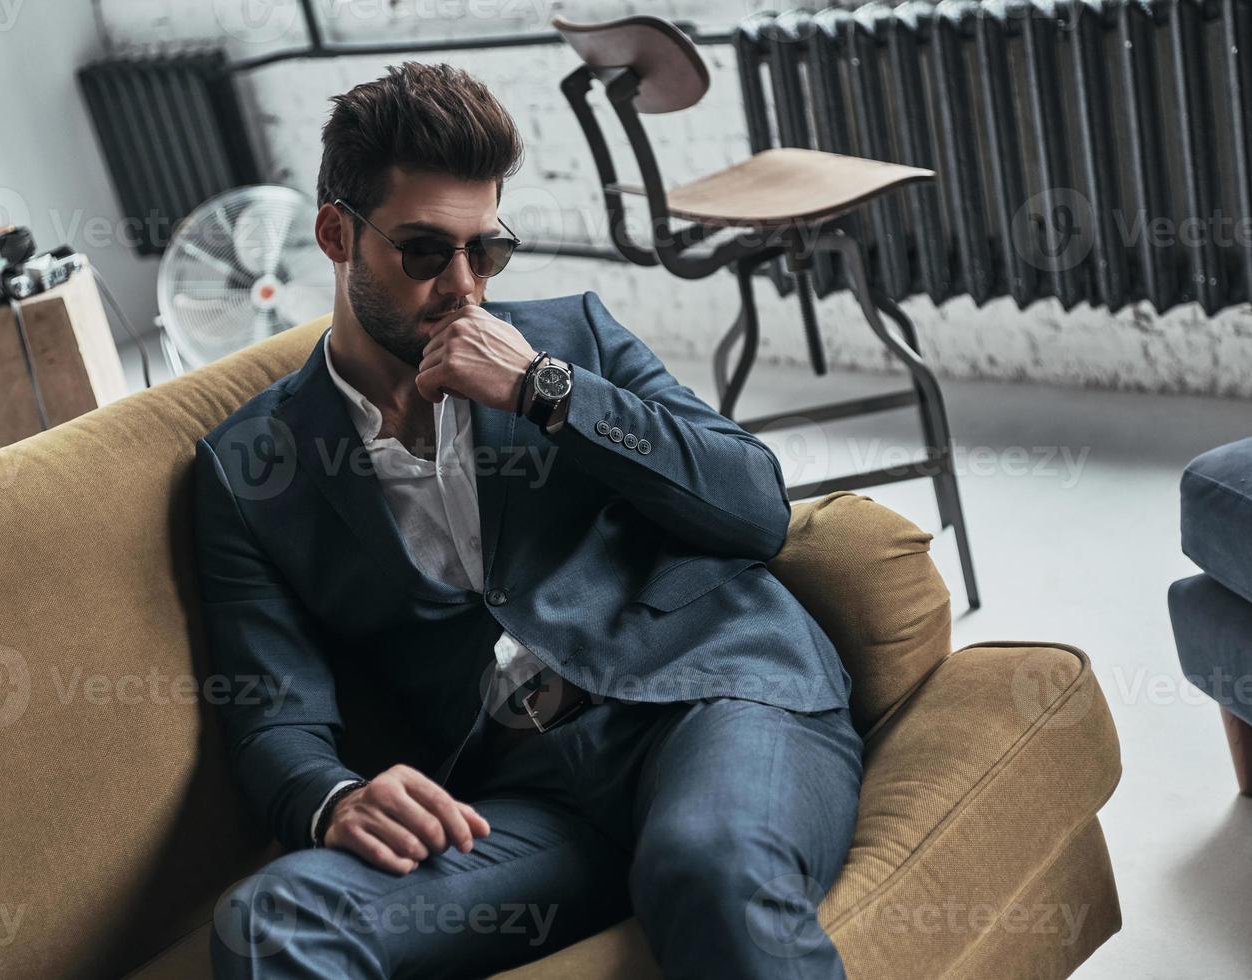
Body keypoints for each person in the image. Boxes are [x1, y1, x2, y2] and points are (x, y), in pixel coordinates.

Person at [195, 61, 861, 979]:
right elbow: (271, 713)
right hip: (529, 805)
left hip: (712, 699)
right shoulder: (247, 471)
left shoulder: (571, 339)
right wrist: (334, 798)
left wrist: (547, 393)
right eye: (426, 251)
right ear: (335, 234)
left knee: (707, 865)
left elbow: (754, 508)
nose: (465, 286)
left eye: (488, 251)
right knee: (267, 924)